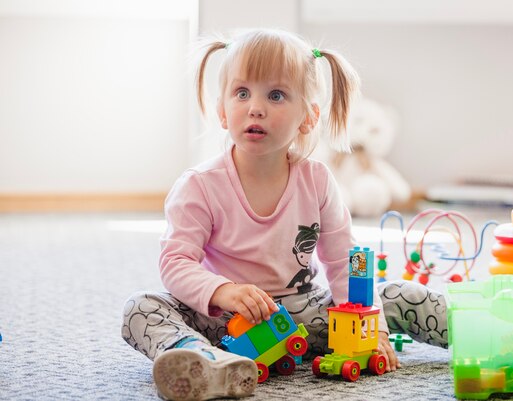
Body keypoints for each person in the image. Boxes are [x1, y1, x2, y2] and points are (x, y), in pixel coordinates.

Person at [121, 28, 448, 401]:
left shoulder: (317, 179)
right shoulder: (200, 185)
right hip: (227, 324)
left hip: (305, 318)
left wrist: (369, 329)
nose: (255, 107)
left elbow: (344, 259)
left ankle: (481, 331)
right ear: (223, 111)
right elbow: (176, 262)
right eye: (242, 93)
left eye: (275, 95)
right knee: (141, 307)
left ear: (308, 117)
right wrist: (223, 292)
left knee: (397, 294)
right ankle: (208, 363)